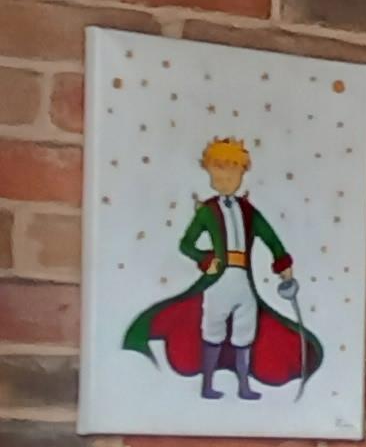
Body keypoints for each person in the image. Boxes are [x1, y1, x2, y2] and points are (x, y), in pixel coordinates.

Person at [121, 137, 321, 401]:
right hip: (218, 281)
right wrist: (205, 259)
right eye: (217, 176)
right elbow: (186, 244)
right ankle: (207, 385)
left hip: (243, 281)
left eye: (230, 175)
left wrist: (282, 264)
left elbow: (270, 238)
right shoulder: (207, 211)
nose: (224, 181)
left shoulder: (248, 212)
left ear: (241, 175)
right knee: (212, 330)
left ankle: (244, 386)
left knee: (245, 331)